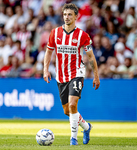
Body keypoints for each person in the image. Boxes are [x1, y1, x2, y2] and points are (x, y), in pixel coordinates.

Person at [43, 3, 100, 145]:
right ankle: (87, 127)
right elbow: (49, 52)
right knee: (67, 111)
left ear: (76, 16)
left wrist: (96, 76)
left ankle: (73, 139)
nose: (67, 17)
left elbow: (91, 57)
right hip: (60, 75)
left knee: (73, 104)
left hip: (77, 72)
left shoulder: (82, 35)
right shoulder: (55, 33)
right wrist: (45, 69)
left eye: (69, 14)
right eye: (65, 14)